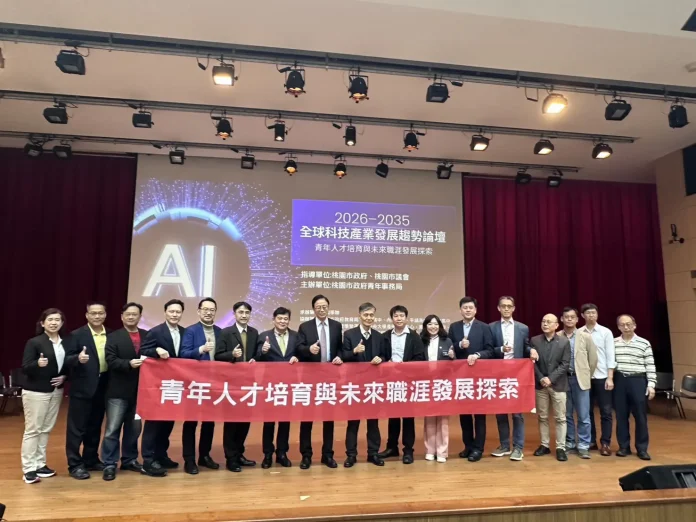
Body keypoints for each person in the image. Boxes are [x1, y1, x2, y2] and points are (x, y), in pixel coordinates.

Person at [20, 308, 68, 484]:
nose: (54, 323)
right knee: (33, 429)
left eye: (57, 320)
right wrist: (37, 364)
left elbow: (66, 364)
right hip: (36, 391)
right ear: (42, 323)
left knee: (46, 428)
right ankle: (28, 469)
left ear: (62, 323)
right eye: (50, 319)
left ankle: (40, 464)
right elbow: (25, 367)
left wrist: (64, 376)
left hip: (56, 390)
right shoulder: (34, 342)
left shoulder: (65, 342)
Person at [139, 299, 186, 477]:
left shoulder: (185, 332)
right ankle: (148, 460)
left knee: (168, 422)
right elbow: (143, 350)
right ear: (165, 312)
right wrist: (156, 351)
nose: (175, 314)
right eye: (171, 311)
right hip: (158, 386)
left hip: (176, 386)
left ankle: (161, 455)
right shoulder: (155, 331)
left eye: (178, 312)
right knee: (154, 423)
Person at [64, 302, 111, 480]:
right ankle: (75, 464)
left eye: (100, 313)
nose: (97, 316)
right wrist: (77, 358)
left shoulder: (112, 334)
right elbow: (65, 359)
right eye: (93, 313)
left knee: (95, 426)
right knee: (77, 429)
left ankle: (90, 459)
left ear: (105, 315)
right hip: (82, 388)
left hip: (104, 386)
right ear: (87, 315)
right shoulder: (76, 335)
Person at [101, 303, 148, 481]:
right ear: (122, 316)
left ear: (140, 317)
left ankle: (129, 459)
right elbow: (110, 360)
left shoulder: (147, 335)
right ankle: (109, 463)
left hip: (140, 391)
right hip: (118, 390)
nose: (131, 317)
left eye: (135, 314)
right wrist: (128, 364)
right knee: (112, 429)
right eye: (128, 314)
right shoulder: (113, 336)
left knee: (134, 428)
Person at [296, 295, 343, 469]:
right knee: (307, 418)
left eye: (324, 306)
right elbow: (298, 348)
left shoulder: (336, 326)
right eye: (318, 307)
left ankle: (327, 455)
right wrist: (309, 349)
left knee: (328, 418)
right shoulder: (305, 327)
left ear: (328, 307)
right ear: (313, 309)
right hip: (310, 377)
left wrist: (339, 357)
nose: (321, 309)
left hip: (330, 376)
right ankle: (306, 455)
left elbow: (340, 347)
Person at [447, 297, 494, 462]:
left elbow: (490, 350)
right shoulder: (454, 327)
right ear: (460, 310)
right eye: (465, 307)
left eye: (470, 308)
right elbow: (449, 347)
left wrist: (477, 355)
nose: (467, 310)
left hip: (479, 377)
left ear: (475, 310)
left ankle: (478, 449)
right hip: (461, 378)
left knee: (479, 415)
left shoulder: (484, 327)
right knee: (464, 414)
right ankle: (468, 446)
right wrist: (459, 346)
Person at [377, 305, 425, 464]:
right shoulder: (385, 336)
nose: (399, 319)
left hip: (408, 382)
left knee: (408, 417)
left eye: (401, 316)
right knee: (393, 416)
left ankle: (408, 450)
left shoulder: (414, 336)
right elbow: (381, 355)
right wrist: (385, 362)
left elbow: (420, 358)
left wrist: (406, 366)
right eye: (396, 316)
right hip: (391, 381)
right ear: (392, 318)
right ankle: (392, 447)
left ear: (406, 318)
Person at [179, 298, 221, 475]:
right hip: (195, 383)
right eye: (205, 309)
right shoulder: (191, 331)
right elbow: (183, 353)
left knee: (209, 422)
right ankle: (189, 459)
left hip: (214, 383)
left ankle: (204, 455)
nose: (208, 312)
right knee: (191, 422)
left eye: (212, 310)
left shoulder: (220, 331)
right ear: (198, 311)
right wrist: (200, 350)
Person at [216, 301, 258, 472]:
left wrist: (257, 357)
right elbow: (218, 355)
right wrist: (231, 355)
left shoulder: (254, 332)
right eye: (241, 312)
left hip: (249, 384)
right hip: (232, 384)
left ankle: (240, 453)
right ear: (234, 314)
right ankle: (231, 458)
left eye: (247, 312)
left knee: (245, 421)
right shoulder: (226, 332)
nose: (244, 315)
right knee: (232, 422)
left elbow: (255, 355)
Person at [256, 307, 300, 469]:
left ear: (289, 320)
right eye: (280, 318)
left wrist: (298, 357)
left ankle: (282, 453)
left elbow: (302, 354)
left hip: (289, 385)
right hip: (270, 385)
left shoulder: (296, 336)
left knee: (285, 420)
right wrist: (262, 351)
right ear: (273, 319)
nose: (282, 321)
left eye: (285, 319)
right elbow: (256, 358)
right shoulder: (263, 336)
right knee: (269, 421)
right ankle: (267, 454)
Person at [342, 302, 385, 467]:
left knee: (373, 422)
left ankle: (373, 453)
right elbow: (343, 356)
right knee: (353, 422)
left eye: (371, 315)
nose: (369, 318)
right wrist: (354, 351)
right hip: (355, 386)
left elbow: (385, 355)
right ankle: (351, 455)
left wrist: (381, 358)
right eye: (366, 315)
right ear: (359, 316)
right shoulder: (349, 334)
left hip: (373, 386)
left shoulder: (379, 336)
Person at [489, 296, 530, 461]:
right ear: (498, 308)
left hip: (517, 375)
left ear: (513, 308)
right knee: (500, 412)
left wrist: (532, 351)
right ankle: (504, 445)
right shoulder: (491, 327)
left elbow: (526, 347)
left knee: (517, 413)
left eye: (509, 306)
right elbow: (489, 350)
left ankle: (518, 447)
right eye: (503, 306)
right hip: (498, 375)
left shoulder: (523, 328)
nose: (506, 309)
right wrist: (500, 349)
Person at [613, 315, 656, 461]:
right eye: (622, 325)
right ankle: (623, 447)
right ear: (618, 327)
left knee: (640, 416)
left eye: (629, 324)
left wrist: (651, 385)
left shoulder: (644, 343)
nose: (626, 327)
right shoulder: (613, 343)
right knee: (621, 416)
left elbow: (650, 365)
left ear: (634, 325)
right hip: (620, 380)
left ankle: (642, 448)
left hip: (638, 380)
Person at [531, 314, 571, 462]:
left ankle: (560, 447)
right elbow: (532, 363)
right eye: (543, 321)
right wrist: (541, 377)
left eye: (549, 322)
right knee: (542, 417)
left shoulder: (564, 342)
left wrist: (550, 378)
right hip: (540, 384)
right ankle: (544, 445)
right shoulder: (535, 340)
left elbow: (565, 364)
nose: (545, 324)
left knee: (560, 418)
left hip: (558, 385)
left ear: (556, 325)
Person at [559, 307, 597, 459]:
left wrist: (586, 375)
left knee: (583, 415)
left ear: (577, 319)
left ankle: (583, 445)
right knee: (566, 414)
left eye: (572, 317)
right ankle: (570, 442)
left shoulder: (585, 337)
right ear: (561, 319)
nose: (569, 319)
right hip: (563, 380)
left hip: (580, 379)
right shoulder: (557, 336)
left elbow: (593, 360)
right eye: (566, 317)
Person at [578, 303, 616, 456]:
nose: (591, 315)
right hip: (585, 377)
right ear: (583, 316)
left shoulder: (605, 332)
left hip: (602, 377)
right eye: (588, 313)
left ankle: (605, 443)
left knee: (606, 411)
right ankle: (591, 441)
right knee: (586, 412)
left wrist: (610, 377)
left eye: (594, 312)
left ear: (597, 314)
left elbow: (610, 355)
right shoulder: (579, 332)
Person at [420, 315, 454, 463]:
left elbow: (454, 363)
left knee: (443, 419)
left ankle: (442, 451)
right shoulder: (420, 341)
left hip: (443, 384)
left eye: (435, 324)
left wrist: (453, 356)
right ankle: (430, 450)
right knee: (429, 418)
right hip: (426, 383)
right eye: (430, 324)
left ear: (439, 326)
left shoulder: (447, 341)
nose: (433, 327)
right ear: (425, 326)